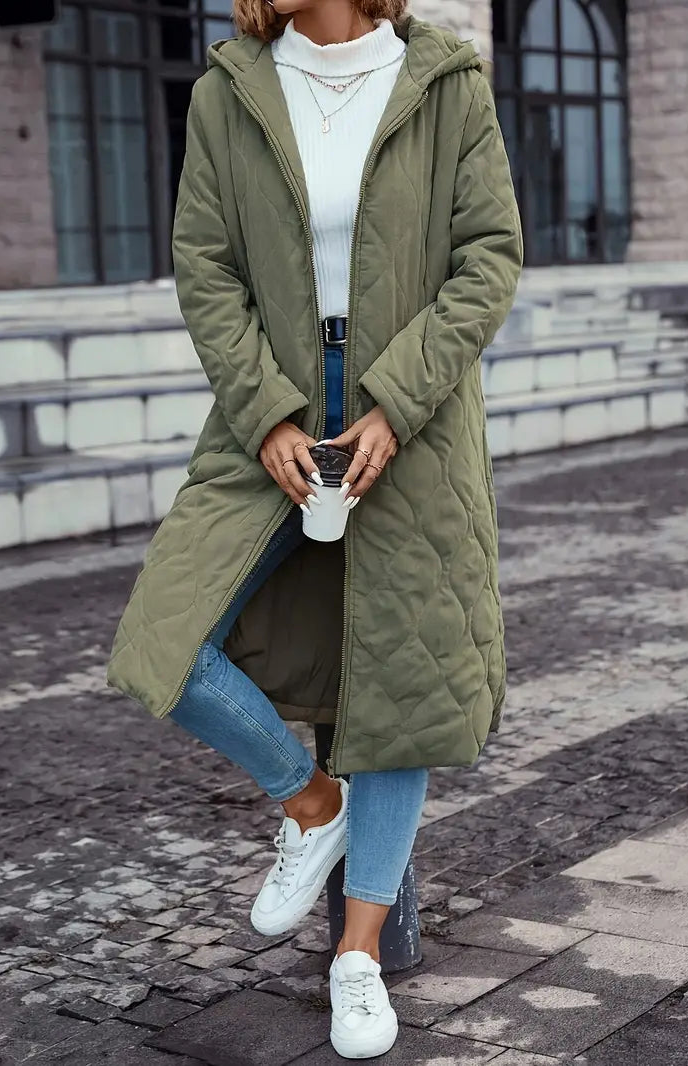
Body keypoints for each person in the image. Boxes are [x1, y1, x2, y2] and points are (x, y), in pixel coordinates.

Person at [107, 0, 522, 1057]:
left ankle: (359, 958)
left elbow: (487, 257)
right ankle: (310, 803)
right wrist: (265, 412)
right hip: (272, 413)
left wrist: (396, 403)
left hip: (412, 422)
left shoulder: (446, 83)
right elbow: (205, 265)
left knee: (400, 676)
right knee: (164, 641)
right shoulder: (227, 90)